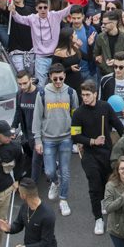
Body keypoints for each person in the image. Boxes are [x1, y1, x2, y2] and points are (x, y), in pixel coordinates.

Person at [72, 79, 124, 235]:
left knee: (107, 183)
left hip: (107, 153)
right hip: (89, 154)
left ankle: (105, 203)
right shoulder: (79, 113)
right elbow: (75, 136)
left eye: (88, 95)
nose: (85, 98)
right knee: (94, 186)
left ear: (95, 94)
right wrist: (92, 141)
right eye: (83, 95)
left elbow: (119, 126)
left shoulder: (105, 107)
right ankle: (98, 219)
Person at [34, 63, 78, 217]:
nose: (58, 81)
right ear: (49, 78)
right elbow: (37, 118)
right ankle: (55, 181)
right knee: (49, 171)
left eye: (61, 78)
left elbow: (76, 116)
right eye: (55, 79)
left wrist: (77, 139)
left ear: (65, 76)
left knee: (65, 171)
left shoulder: (71, 92)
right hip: (48, 138)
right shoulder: (42, 93)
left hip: (66, 137)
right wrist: (37, 140)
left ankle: (63, 199)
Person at [0, 178, 58, 247]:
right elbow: (18, 225)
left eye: (19, 191)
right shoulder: (25, 207)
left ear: (23, 195)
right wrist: (9, 228)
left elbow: (45, 243)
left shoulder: (47, 215)